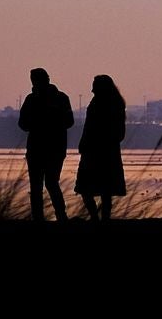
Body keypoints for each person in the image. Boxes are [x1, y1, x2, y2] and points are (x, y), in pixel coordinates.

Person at [17, 67, 72, 222]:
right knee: (49, 184)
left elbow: (23, 124)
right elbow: (69, 121)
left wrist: (39, 122)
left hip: (41, 149)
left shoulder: (33, 100)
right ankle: (59, 216)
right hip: (53, 148)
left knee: (40, 185)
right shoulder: (61, 98)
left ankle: (43, 217)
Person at [76, 73, 127, 220]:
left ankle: (98, 218)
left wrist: (87, 142)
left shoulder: (107, 103)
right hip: (103, 151)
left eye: (94, 85)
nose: (92, 88)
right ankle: (100, 218)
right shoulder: (113, 103)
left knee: (93, 188)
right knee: (103, 190)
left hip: (98, 151)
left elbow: (92, 127)